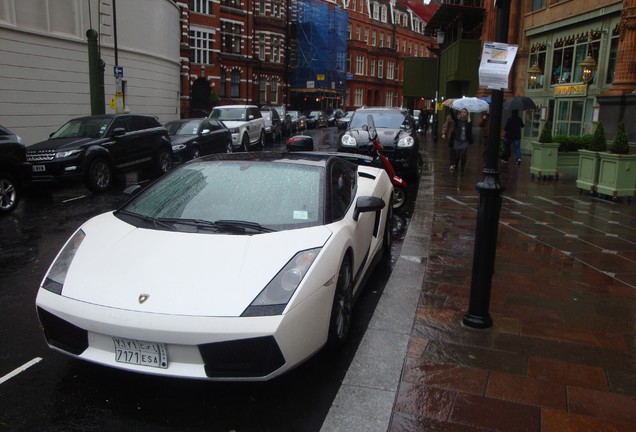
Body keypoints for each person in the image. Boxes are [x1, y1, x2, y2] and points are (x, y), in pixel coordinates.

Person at [451, 108, 473, 175]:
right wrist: (451, 108)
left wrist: (469, 122)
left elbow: (469, 131)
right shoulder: (458, 121)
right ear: (460, 113)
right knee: (457, 156)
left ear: (467, 114)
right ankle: (456, 166)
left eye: (465, 112)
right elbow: (453, 116)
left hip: (465, 141)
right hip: (458, 140)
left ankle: (462, 169)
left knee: (463, 155)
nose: (463, 113)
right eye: (462, 112)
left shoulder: (468, 122)